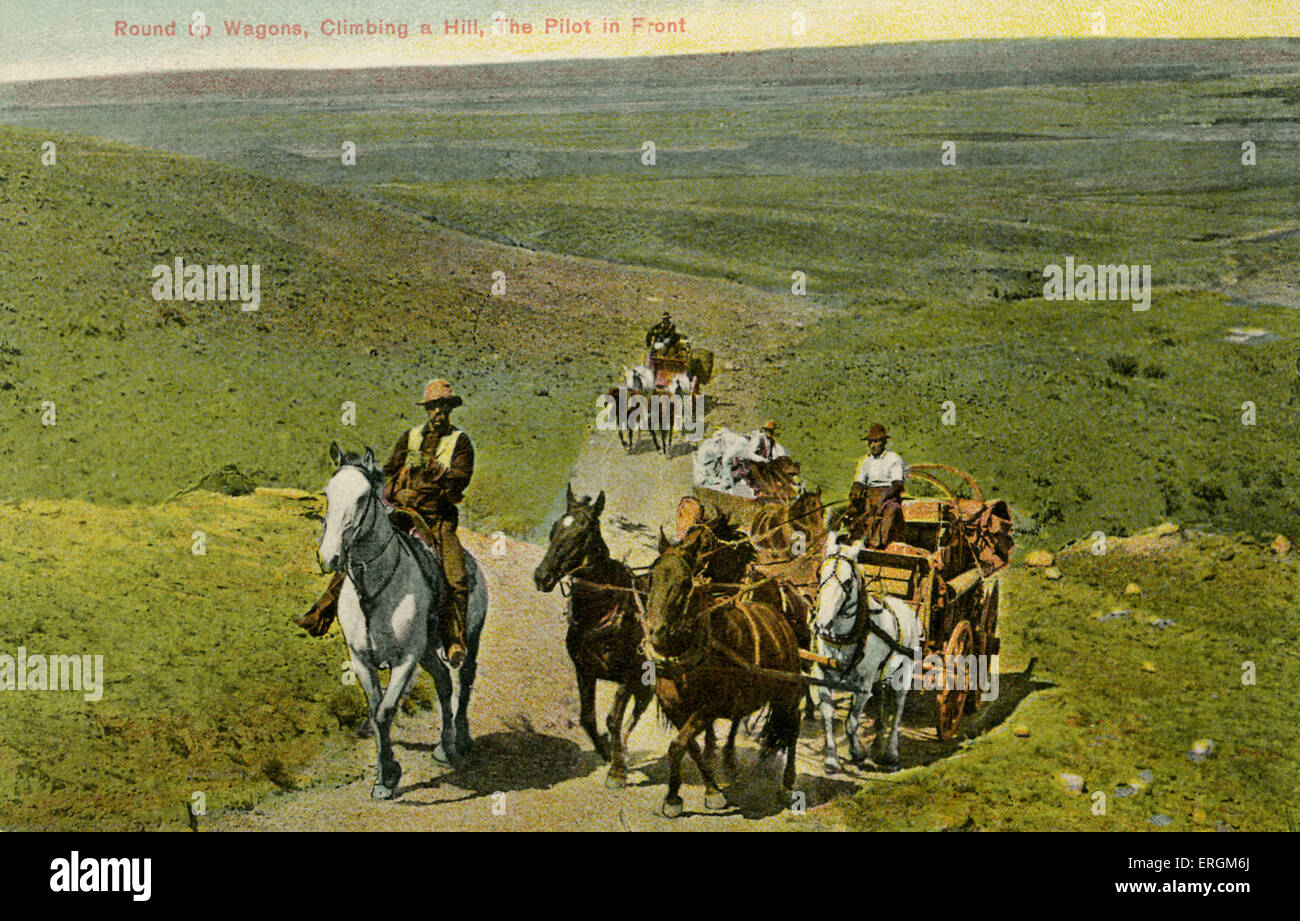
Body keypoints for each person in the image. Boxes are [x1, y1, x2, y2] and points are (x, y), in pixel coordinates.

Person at [296, 379, 474, 669]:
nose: (438, 411)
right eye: (433, 406)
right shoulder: (411, 437)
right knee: (361, 551)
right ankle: (322, 611)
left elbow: (462, 477)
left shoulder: (460, 442)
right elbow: (389, 470)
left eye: (444, 406)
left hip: (439, 517)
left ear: (451, 409)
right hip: (405, 512)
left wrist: (434, 469)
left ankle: (453, 639)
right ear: (427, 410)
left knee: (456, 576)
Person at [848, 423, 906, 548]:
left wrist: (883, 495)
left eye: (877, 441)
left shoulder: (893, 458)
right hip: (870, 495)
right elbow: (859, 482)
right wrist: (854, 493)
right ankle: (849, 538)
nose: (873, 445)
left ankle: (879, 543)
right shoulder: (865, 461)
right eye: (871, 442)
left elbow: (897, 484)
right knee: (851, 513)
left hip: (888, 496)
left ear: (884, 442)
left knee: (891, 511)